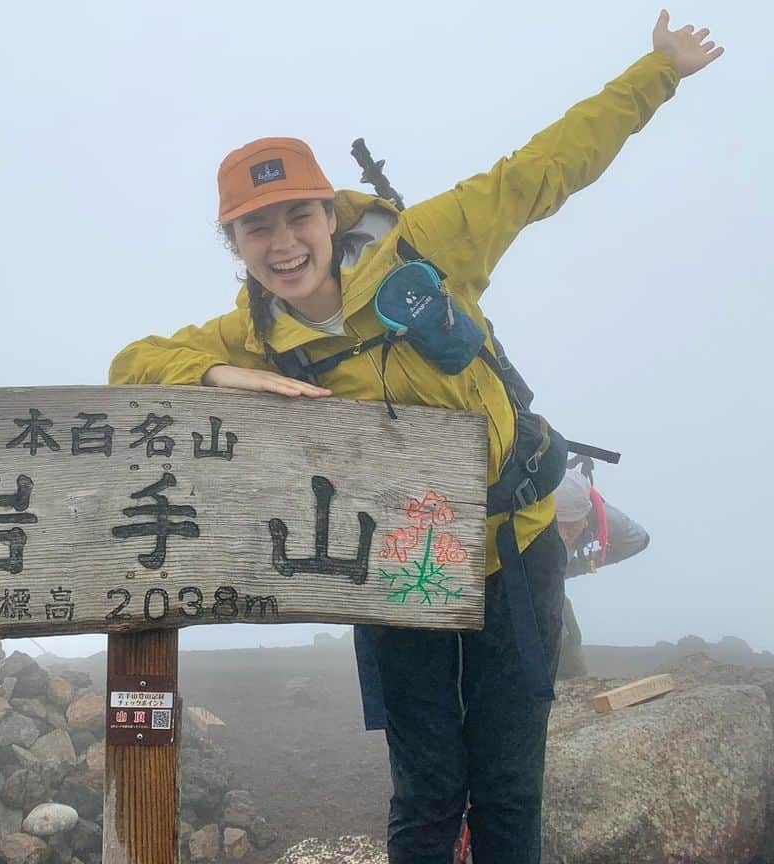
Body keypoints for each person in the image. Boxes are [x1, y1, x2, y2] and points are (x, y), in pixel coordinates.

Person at [109, 12, 721, 863]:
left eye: (298, 216)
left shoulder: (424, 247)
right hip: (396, 574)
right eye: (258, 228)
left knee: (509, 786)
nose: (284, 244)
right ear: (236, 244)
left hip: (517, 547)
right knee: (427, 792)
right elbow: (131, 363)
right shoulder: (250, 332)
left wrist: (656, 73)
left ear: (330, 212)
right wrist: (223, 375)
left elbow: (542, 170)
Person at [553, 467, 652, 678]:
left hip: (551, 585)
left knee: (568, 634)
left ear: (586, 516)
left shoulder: (597, 514)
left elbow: (636, 539)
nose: (563, 535)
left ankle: (572, 686)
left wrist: (579, 566)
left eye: (571, 526)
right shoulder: (527, 509)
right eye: (555, 525)